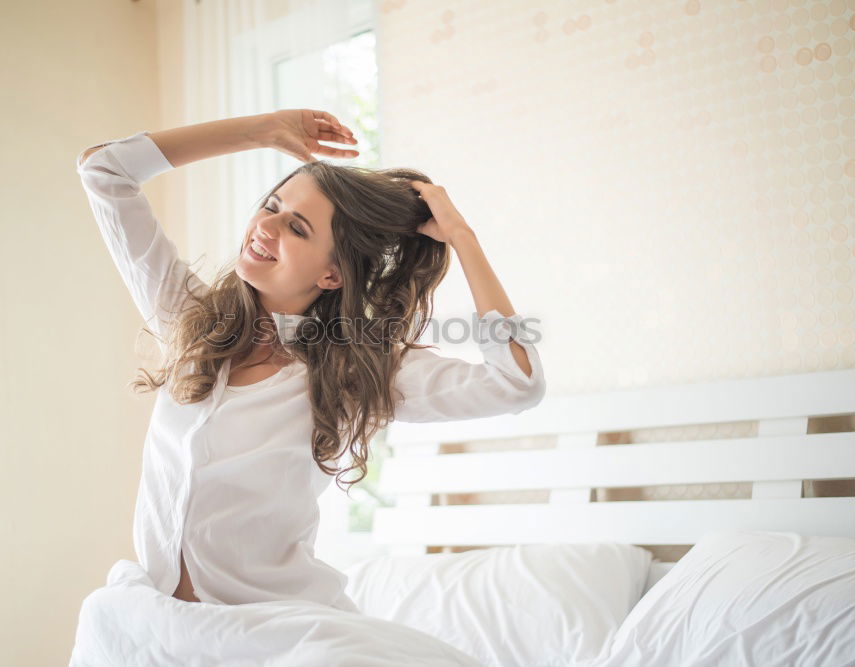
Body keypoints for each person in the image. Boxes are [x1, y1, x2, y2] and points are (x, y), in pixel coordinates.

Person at [74, 109, 546, 612]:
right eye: (271, 205)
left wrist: (463, 238)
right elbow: (105, 171)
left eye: (297, 228)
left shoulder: (354, 371)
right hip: (159, 623)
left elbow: (517, 384)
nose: (266, 226)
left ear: (333, 275)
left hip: (282, 631)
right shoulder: (189, 320)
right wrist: (258, 132)